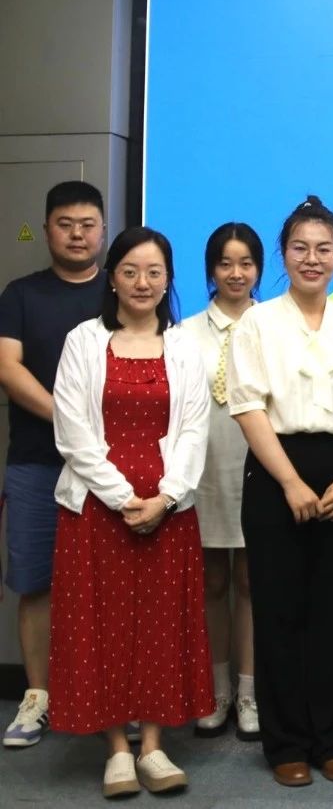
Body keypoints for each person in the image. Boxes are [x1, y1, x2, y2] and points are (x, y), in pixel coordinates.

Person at [48, 226, 213, 798]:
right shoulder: (83, 341)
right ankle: (117, 748)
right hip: (97, 507)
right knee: (100, 625)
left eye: (155, 272)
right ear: (112, 278)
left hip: (169, 508)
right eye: (130, 271)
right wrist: (123, 498)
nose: (143, 282)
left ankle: (153, 745)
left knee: (160, 626)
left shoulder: (184, 346)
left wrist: (165, 498)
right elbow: (72, 433)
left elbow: (194, 431)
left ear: (168, 280)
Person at [226, 196, 333, 788]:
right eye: (299, 248)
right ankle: (287, 742)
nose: (311, 259)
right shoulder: (257, 323)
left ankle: (330, 739)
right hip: (275, 474)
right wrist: (290, 482)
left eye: (323, 249)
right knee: (279, 611)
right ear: (284, 255)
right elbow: (248, 406)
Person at [0, 180, 107, 749]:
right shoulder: (20, 294)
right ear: (46, 230)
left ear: (103, 231)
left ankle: (113, 696)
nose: (76, 235)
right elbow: (8, 368)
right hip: (36, 463)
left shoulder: (123, 291)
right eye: (65, 224)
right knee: (35, 582)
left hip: (112, 469)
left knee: (111, 585)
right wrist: (70, 423)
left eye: (87, 225)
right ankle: (37, 697)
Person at [182, 222, 265, 742]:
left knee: (251, 582)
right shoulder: (184, 332)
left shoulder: (273, 325)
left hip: (258, 467)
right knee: (211, 582)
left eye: (246, 263)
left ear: (258, 268)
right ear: (211, 269)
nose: (236, 273)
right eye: (225, 263)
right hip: (205, 470)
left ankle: (249, 691)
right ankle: (215, 691)